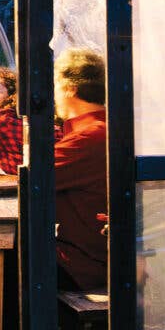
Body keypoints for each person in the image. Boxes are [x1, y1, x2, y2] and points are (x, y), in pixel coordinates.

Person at [53, 47, 107, 290]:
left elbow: (32, 177)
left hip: (82, 265)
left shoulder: (87, 138)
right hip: (99, 254)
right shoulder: (104, 127)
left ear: (68, 88)